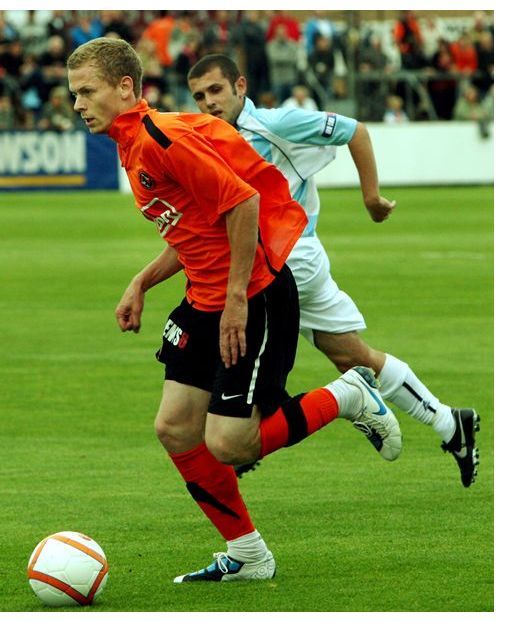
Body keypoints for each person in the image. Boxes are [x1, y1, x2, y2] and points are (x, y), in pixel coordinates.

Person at [67, 37, 402, 583]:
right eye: (73, 94)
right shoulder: (135, 143)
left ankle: (348, 395)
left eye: (87, 91)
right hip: (207, 298)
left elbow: (243, 202)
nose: (78, 104)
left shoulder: (160, 139)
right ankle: (248, 554)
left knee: (229, 443)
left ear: (125, 87)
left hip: (253, 296)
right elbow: (196, 227)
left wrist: (235, 303)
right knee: (175, 428)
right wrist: (142, 281)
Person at [187, 53, 480, 488]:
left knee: (225, 334)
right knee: (351, 355)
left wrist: (372, 198)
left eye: (216, 90)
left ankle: (247, 429)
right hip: (283, 260)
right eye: (199, 96)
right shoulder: (212, 137)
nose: (209, 102)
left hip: (289, 261)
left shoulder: (274, 123)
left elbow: (355, 131)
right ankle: (448, 423)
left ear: (240, 86)